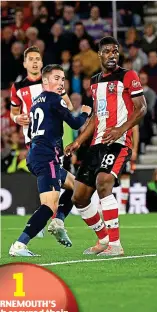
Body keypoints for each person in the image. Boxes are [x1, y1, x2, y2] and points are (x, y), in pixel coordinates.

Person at [65, 36, 147, 257]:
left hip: (117, 142)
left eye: (115, 51)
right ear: (99, 54)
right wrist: (78, 141)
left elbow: (141, 109)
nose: (112, 55)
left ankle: (116, 245)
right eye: (108, 51)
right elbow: (94, 118)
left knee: (103, 183)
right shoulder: (95, 81)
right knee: (79, 197)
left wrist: (121, 129)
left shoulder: (128, 76)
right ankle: (102, 240)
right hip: (95, 144)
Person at [9, 64, 91, 256]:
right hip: (46, 157)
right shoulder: (55, 99)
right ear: (45, 81)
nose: (61, 82)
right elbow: (75, 123)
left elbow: (31, 131)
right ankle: (20, 244)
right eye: (56, 78)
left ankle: (58, 221)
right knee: (49, 205)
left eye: (63, 79)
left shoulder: (37, 101)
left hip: (38, 153)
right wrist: (86, 111)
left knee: (76, 187)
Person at [118, 125, 139, 213]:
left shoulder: (130, 113)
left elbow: (135, 130)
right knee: (106, 177)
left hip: (126, 150)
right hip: (111, 149)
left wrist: (134, 150)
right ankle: (102, 205)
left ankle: (122, 206)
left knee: (125, 177)